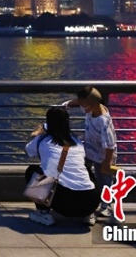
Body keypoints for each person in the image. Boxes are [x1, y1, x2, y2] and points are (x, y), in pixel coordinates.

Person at [25, 106, 99, 226]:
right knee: (85, 169)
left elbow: (28, 151)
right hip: (91, 202)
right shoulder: (77, 142)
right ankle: (87, 215)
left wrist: (35, 133)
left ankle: (43, 213)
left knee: (32, 171)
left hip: (64, 205)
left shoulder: (42, 140)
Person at [65, 86, 116, 218]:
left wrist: (107, 162)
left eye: (82, 103)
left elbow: (110, 145)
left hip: (103, 156)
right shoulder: (91, 109)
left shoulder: (103, 122)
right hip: (89, 150)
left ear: (90, 104)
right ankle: (89, 199)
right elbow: (79, 101)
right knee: (85, 173)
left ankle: (107, 205)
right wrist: (69, 104)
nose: (81, 106)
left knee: (105, 180)